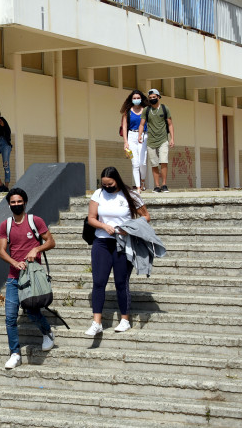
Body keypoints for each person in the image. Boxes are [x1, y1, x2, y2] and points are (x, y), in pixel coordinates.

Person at [85, 166, 149, 336]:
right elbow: (91, 218)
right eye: (104, 184)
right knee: (99, 281)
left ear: (117, 181)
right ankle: (97, 322)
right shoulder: (98, 194)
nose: (107, 187)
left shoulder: (130, 195)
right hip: (102, 242)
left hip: (123, 243)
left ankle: (125, 320)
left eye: (110, 184)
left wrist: (130, 228)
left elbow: (146, 217)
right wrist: (103, 226)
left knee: (121, 282)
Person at [0, 187, 57, 369]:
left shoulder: (35, 221)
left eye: (19, 201)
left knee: (32, 311)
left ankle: (47, 332)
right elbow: (1, 251)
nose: (16, 204)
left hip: (31, 276)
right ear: (9, 205)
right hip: (14, 278)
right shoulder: (6, 225)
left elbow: (51, 242)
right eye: (13, 202)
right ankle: (15, 353)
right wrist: (14, 263)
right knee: (10, 318)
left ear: (25, 202)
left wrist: (36, 249)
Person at [144, 89, 174, 193]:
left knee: (164, 161)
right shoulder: (146, 110)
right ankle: (157, 186)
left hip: (163, 140)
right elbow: (142, 124)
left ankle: (164, 184)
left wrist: (172, 139)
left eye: (154, 97)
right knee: (154, 164)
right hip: (151, 141)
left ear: (158, 97)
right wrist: (139, 135)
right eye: (150, 98)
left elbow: (170, 124)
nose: (152, 99)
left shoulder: (165, 108)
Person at [121, 89, 148, 192]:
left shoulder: (146, 110)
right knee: (135, 163)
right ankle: (138, 187)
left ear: (141, 99)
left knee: (142, 163)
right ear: (131, 99)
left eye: (138, 98)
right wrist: (125, 142)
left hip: (143, 136)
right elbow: (124, 127)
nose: (136, 100)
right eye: (134, 98)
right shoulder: (127, 111)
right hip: (131, 136)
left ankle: (143, 180)